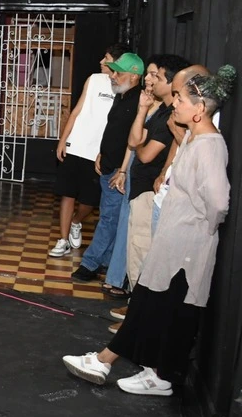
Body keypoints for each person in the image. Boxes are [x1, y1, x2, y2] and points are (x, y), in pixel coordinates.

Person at [62, 66, 233, 396]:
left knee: (155, 306)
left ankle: (108, 361)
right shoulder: (195, 140)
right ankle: (154, 373)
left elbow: (219, 203)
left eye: (181, 99)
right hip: (175, 242)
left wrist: (197, 229)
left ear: (199, 109)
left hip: (185, 247)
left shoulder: (209, 145)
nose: (176, 103)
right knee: (159, 307)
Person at [100, 54, 188, 292]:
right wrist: (141, 111)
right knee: (136, 249)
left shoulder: (171, 116)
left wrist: (138, 146)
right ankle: (133, 305)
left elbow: (146, 153)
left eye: (155, 75)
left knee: (143, 253)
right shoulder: (159, 112)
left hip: (150, 192)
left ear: (172, 82)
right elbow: (133, 139)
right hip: (140, 189)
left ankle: (135, 310)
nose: (149, 80)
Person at [49, 44, 130, 258]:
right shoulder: (93, 80)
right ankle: (63, 239)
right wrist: (63, 140)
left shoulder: (124, 87)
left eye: (106, 59)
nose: (101, 62)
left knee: (89, 200)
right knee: (67, 193)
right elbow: (76, 111)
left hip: (99, 152)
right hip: (76, 144)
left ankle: (77, 221)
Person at [72, 53, 144, 288]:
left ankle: (90, 264)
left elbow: (134, 141)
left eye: (118, 72)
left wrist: (123, 170)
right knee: (109, 217)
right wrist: (102, 153)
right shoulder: (121, 96)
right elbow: (113, 130)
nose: (112, 76)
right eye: (112, 71)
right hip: (107, 165)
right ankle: (104, 260)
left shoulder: (138, 102)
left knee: (108, 218)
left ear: (134, 76)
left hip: (118, 171)